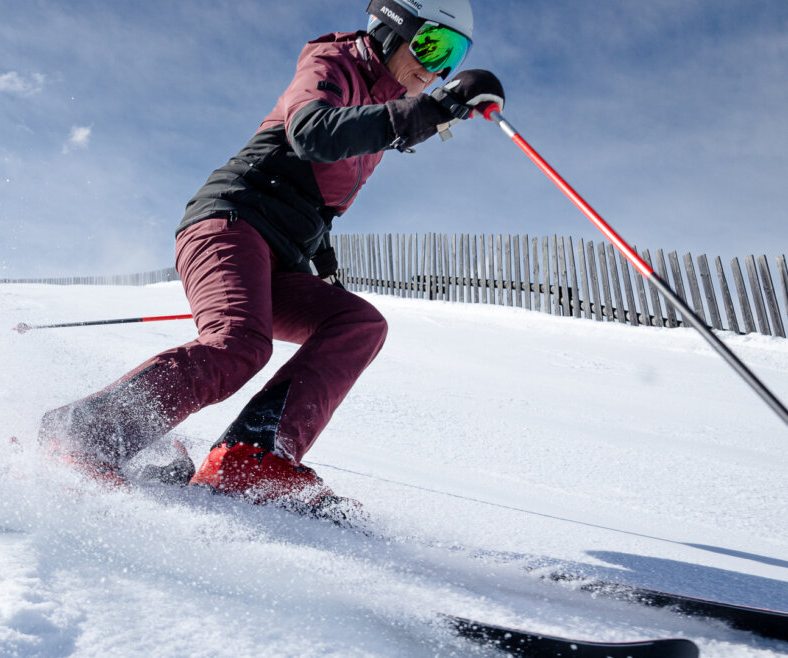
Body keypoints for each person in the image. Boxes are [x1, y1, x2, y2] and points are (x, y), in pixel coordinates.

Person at [39, 0, 504, 511]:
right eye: (432, 44)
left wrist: (323, 264)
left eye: (453, 56)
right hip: (229, 221)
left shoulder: (382, 110)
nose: (437, 67)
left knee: (357, 324)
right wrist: (431, 112)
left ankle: (252, 456)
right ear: (393, 29)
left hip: (280, 254)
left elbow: (315, 200)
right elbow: (310, 134)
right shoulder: (334, 63)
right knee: (239, 346)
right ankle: (86, 432)